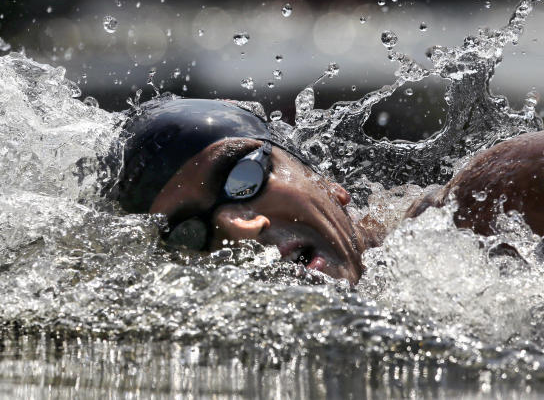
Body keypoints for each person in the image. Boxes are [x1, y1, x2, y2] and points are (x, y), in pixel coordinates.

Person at [110, 95, 544, 285]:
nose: (242, 228)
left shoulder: (484, 209)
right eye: (188, 232)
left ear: (324, 181)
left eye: (243, 179)